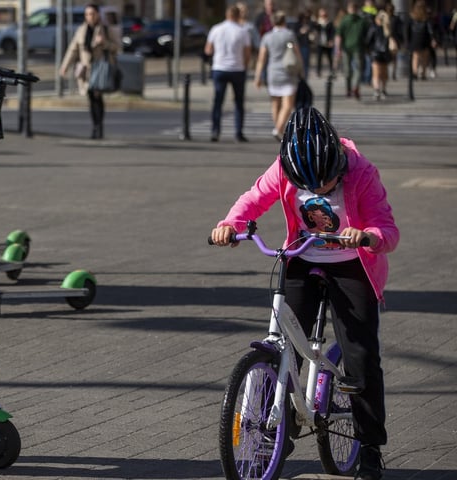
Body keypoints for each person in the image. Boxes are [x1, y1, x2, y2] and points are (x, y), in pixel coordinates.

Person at [210, 106, 399, 480]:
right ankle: (273, 429)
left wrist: (368, 236)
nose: (319, 191)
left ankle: (371, 448)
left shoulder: (362, 171)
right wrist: (231, 224)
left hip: (352, 263)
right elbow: (254, 199)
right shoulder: (284, 168)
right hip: (302, 254)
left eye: (326, 184)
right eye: (309, 187)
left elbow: (386, 228)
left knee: (360, 357)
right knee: (283, 340)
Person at [59, 3, 120, 140]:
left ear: (98, 14)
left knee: (98, 98)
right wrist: (64, 66)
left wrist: (104, 42)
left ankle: (99, 127)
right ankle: (94, 126)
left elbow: (117, 47)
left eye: (92, 14)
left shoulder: (105, 29)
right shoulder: (81, 30)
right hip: (86, 70)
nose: (89, 17)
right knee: (91, 98)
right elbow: (73, 49)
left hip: (101, 69)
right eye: (87, 14)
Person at [204, 5, 252, 143]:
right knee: (238, 102)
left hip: (219, 67)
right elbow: (247, 52)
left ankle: (215, 131)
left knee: (218, 101)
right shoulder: (242, 31)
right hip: (237, 68)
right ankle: (238, 132)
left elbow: (208, 50)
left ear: (226, 15)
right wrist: (244, 65)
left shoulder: (216, 29)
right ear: (238, 16)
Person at [254, 10, 302, 141]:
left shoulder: (267, 37)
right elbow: (297, 54)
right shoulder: (289, 35)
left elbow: (261, 59)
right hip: (288, 71)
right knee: (288, 104)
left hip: (273, 72)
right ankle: (278, 129)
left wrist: (257, 76)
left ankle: (278, 129)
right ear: (284, 21)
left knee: (275, 103)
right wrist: (301, 70)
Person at [336, 1, 368, 99]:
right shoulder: (361, 20)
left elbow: (338, 36)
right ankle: (354, 87)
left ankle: (350, 89)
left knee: (349, 70)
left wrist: (338, 49)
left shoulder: (345, 20)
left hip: (350, 48)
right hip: (355, 48)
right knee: (357, 69)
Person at [366, 10, 394, 100]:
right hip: (386, 53)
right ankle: (383, 90)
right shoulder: (388, 29)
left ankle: (377, 91)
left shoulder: (373, 27)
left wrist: (369, 50)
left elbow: (368, 40)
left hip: (376, 53)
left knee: (376, 74)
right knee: (384, 74)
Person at [406, 0, 436, 80]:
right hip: (424, 39)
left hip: (415, 39)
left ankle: (415, 72)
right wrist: (433, 38)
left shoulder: (412, 17)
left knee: (415, 57)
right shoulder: (426, 18)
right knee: (424, 57)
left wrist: (408, 41)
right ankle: (422, 73)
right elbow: (430, 30)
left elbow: (407, 30)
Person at [314, 8, 336, 77]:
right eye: (321, 13)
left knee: (330, 58)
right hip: (320, 43)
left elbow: (332, 32)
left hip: (327, 43)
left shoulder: (329, 22)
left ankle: (332, 72)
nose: (323, 15)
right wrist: (318, 23)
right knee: (319, 58)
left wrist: (331, 40)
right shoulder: (317, 22)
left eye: (323, 13)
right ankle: (318, 72)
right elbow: (315, 30)